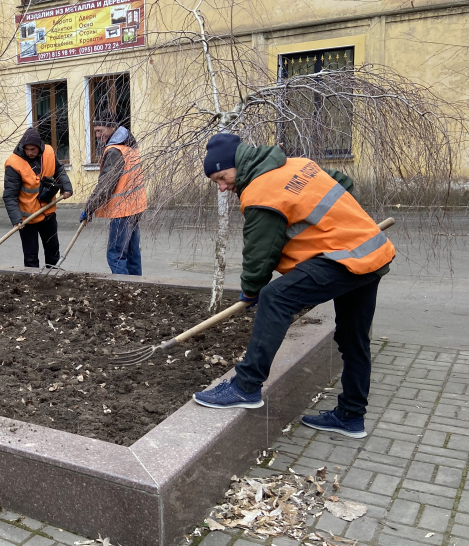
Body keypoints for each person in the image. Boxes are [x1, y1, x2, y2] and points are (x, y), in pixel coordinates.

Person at [193, 133, 395, 439]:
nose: (222, 187)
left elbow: (260, 254)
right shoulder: (298, 164)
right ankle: (351, 417)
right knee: (354, 339)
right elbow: (344, 183)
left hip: (346, 259)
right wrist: (324, 234)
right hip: (370, 252)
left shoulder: (261, 192)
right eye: (216, 183)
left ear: (237, 164)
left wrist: (250, 292)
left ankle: (246, 386)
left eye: (222, 177)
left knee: (275, 296)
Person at [80, 115, 147, 275]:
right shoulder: (129, 146)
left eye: (99, 130)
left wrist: (89, 208)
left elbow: (105, 186)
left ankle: (124, 290)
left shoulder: (115, 151)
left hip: (122, 210)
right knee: (132, 253)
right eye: (95, 131)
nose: (97, 135)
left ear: (112, 128)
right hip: (135, 206)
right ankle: (137, 288)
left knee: (116, 254)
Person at [3, 127, 73, 268]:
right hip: (27, 220)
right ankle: (33, 283)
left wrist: (66, 187)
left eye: (33, 150)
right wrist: (16, 219)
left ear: (39, 147)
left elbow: (59, 170)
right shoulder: (13, 164)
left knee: (53, 252)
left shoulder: (48, 152)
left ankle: (53, 278)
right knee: (31, 256)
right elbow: (10, 195)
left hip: (48, 214)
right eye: (27, 149)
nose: (29, 152)